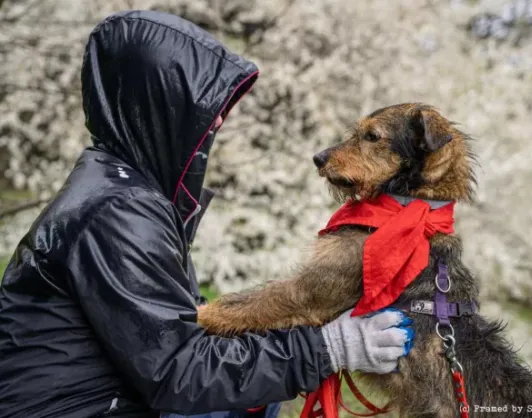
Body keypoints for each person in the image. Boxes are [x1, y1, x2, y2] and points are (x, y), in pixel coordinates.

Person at [0, 10, 414, 418]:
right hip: (78, 409)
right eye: (203, 106)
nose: (219, 119)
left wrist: (301, 320)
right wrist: (328, 349)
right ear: (160, 106)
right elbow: (178, 370)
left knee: (256, 395)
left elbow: (175, 327)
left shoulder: (125, 193)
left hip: (101, 400)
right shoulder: (118, 211)